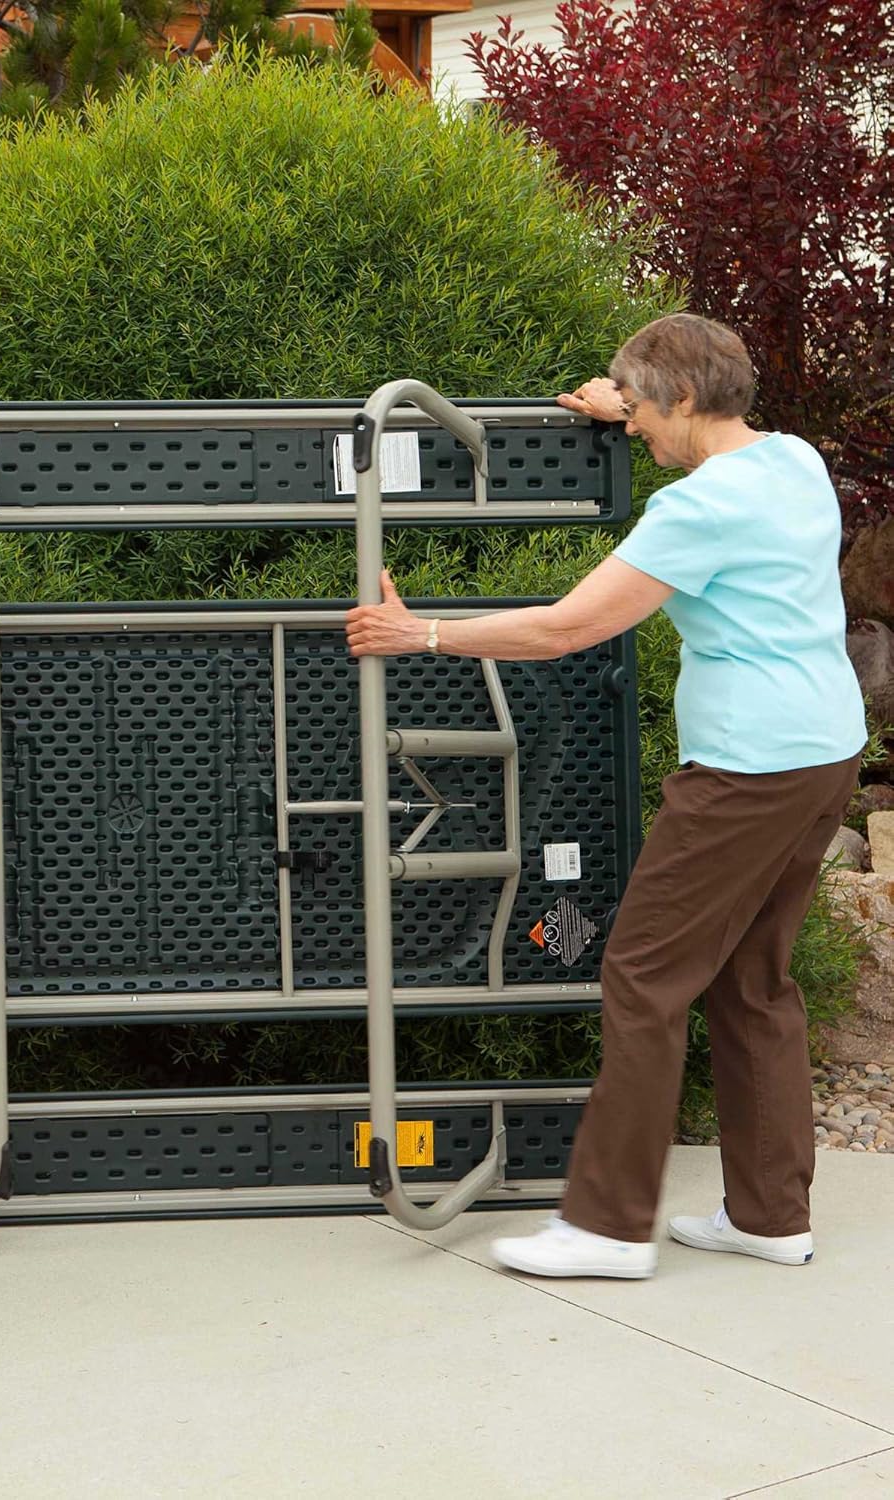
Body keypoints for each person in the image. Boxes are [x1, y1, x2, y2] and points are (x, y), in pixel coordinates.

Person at [345, 312, 864, 1279]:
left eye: (639, 412)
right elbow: (681, 421)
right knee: (754, 980)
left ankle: (609, 1226)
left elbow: (563, 629)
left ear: (679, 398)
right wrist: (621, 397)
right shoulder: (794, 462)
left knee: (642, 978)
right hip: (823, 752)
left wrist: (419, 636)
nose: (631, 432)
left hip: (746, 772)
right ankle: (768, 1215)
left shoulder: (696, 511)